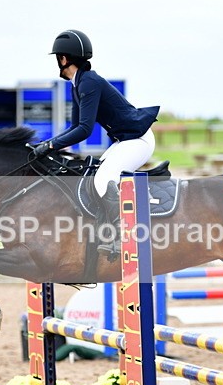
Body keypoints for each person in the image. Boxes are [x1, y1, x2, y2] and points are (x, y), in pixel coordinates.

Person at [32, 29, 160, 258]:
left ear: (63, 58)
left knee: (103, 179)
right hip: (126, 141)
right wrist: (46, 143)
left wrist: (50, 146)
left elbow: (84, 130)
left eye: (57, 58)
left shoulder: (88, 83)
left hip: (138, 139)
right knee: (95, 175)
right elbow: (74, 127)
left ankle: (123, 236)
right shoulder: (78, 83)